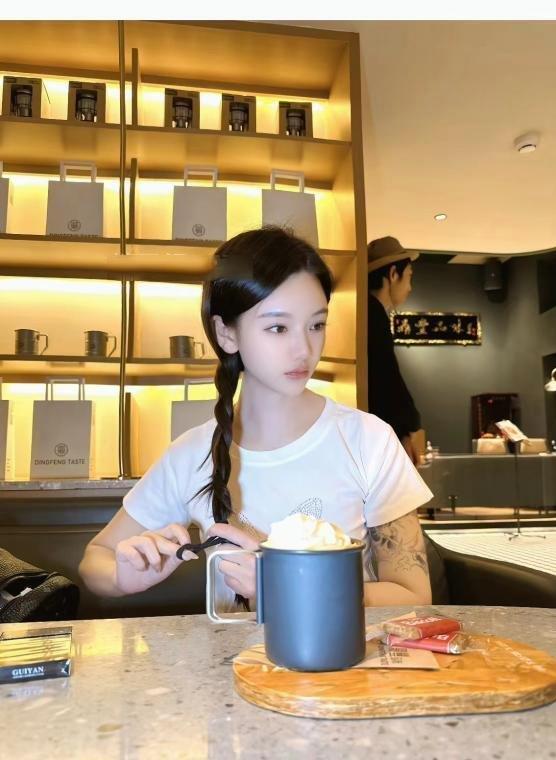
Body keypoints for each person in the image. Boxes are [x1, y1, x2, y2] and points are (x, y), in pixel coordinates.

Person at [79, 227, 433, 612]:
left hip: (344, 652)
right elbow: (96, 558)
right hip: (231, 654)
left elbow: (413, 595)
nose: (304, 349)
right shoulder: (192, 454)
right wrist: (123, 576)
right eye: (278, 327)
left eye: (316, 324)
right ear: (226, 333)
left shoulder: (368, 439)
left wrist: (290, 587)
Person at [367, 236, 422, 466]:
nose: (410, 287)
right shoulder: (373, 315)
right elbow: (387, 381)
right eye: (408, 276)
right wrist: (404, 429)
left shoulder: (367, 311)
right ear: (392, 274)